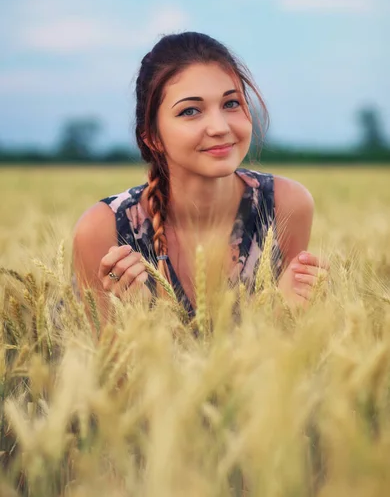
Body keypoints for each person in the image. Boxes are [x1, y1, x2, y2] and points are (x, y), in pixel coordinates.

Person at [73, 31, 327, 322]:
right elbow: (99, 364)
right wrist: (134, 319)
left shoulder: (284, 205)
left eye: (231, 103)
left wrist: (290, 314)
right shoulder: (106, 230)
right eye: (190, 111)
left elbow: (288, 358)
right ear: (152, 137)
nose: (219, 127)